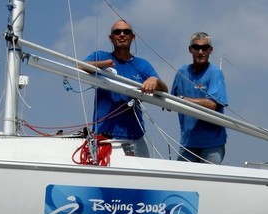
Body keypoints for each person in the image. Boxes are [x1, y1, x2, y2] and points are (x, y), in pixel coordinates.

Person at [84, 19, 168, 158]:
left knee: (143, 177)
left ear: (132, 37)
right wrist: (105, 64)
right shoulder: (100, 56)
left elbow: (164, 89)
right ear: (111, 38)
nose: (122, 34)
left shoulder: (142, 65)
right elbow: (78, 67)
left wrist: (154, 81)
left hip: (134, 136)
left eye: (126, 32)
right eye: (117, 32)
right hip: (105, 136)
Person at [171, 32, 228, 164]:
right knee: (182, 182)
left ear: (210, 50)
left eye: (205, 48)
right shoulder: (182, 72)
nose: (200, 52)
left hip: (211, 145)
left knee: (209, 183)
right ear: (190, 49)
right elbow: (170, 100)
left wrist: (183, 99)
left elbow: (212, 104)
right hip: (188, 143)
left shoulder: (215, 73)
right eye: (196, 48)